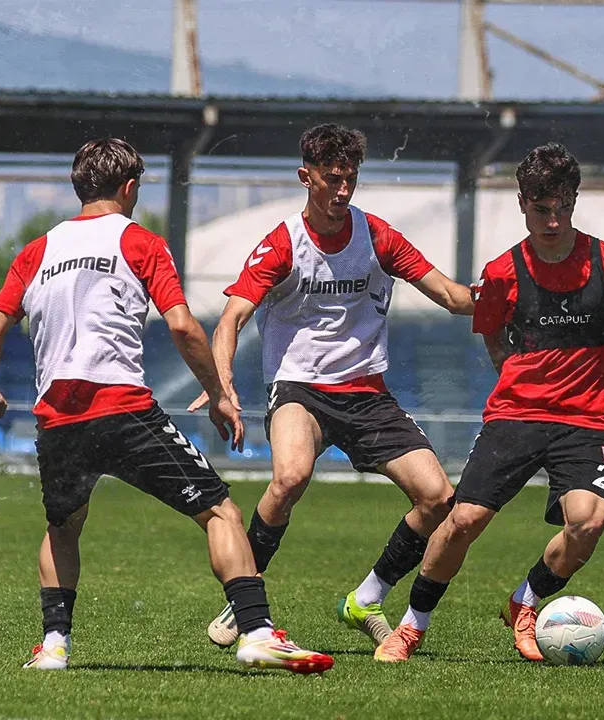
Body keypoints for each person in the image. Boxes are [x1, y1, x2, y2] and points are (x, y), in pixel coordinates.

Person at [0, 137, 333, 674]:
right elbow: (182, 326)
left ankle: (53, 647)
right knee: (221, 512)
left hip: (58, 419)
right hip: (122, 409)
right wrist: (219, 394)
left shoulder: (36, 251)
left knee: (64, 525)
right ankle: (257, 633)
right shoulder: (140, 241)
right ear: (130, 187)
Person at [191, 123, 474, 649]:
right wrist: (221, 378)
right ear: (307, 177)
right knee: (290, 477)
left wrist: (512, 294)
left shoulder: (378, 236)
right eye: (332, 179)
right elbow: (231, 318)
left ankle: (367, 597)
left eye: (351, 179)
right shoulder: (282, 243)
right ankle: (243, 599)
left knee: (438, 498)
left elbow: (452, 297)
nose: (343, 190)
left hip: (367, 392)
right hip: (299, 389)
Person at [373, 142, 604, 663]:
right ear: (522, 203)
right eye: (542, 209)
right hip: (515, 415)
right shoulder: (502, 272)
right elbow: (491, 334)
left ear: (574, 201)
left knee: (590, 521)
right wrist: (516, 376)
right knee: (463, 520)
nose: (553, 221)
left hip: (587, 420)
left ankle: (525, 600)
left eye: (563, 208)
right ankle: (412, 626)